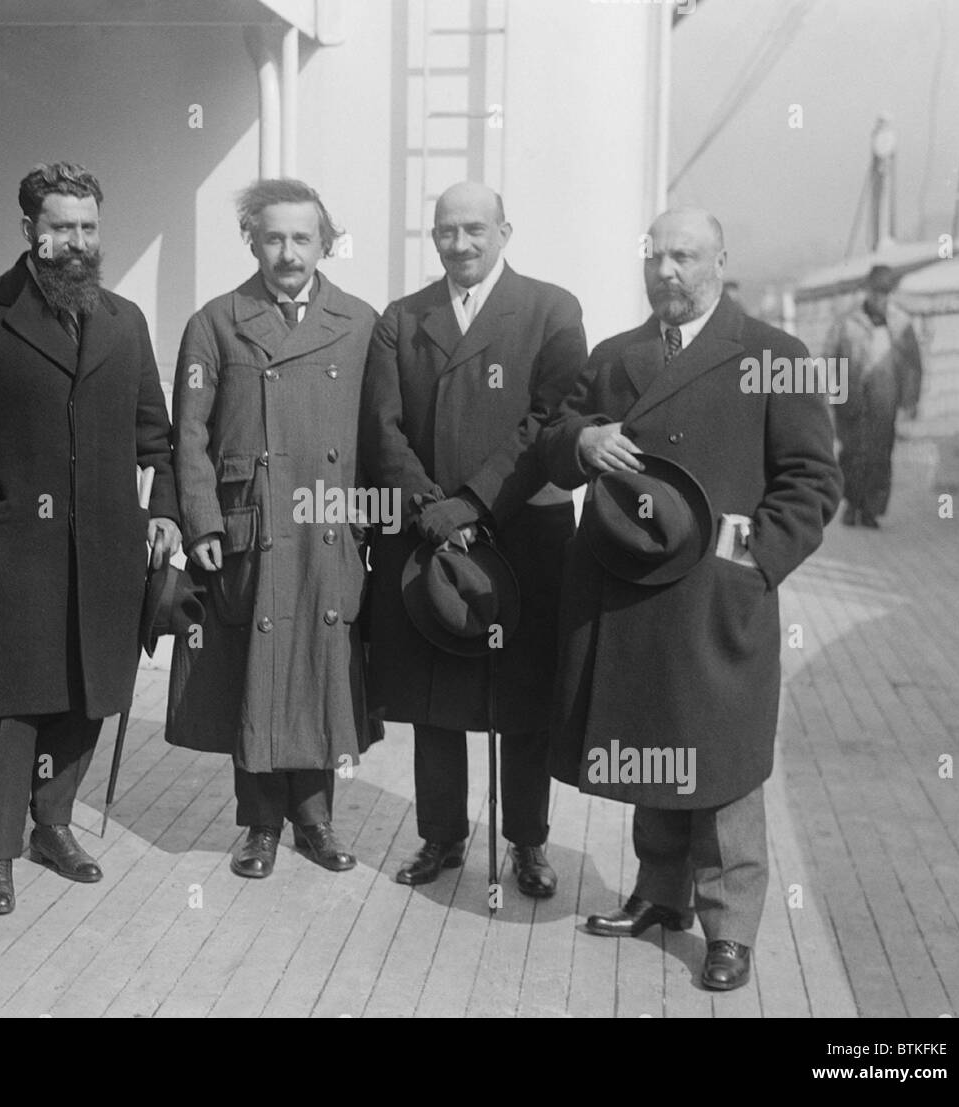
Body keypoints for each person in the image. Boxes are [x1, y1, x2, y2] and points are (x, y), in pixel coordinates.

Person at [538, 208, 840, 989]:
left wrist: (746, 560)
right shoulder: (616, 357)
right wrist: (581, 442)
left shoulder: (778, 356)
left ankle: (730, 928)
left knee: (725, 763)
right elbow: (555, 432)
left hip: (717, 600)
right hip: (630, 593)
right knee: (654, 743)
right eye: (656, 256)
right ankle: (659, 893)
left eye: (685, 256)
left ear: (720, 261)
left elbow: (812, 482)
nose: (667, 270)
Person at [0, 162, 180, 915]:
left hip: (105, 553)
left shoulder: (125, 321)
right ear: (28, 230)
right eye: (61, 226)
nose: (77, 241)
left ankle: (52, 826)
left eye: (88, 227)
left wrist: (164, 509)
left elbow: (153, 435)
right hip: (7, 553)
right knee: (8, 707)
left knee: (85, 694)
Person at [360, 181, 588, 898]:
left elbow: (550, 421)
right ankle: (441, 834)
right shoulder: (402, 318)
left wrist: (474, 501)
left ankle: (527, 842)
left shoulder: (552, 310)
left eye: (475, 230)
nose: (460, 244)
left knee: (521, 699)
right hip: (430, 534)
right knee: (438, 697)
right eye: (446, 232)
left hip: (520, 531)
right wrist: (432, 506)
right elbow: (382, 427)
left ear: (504, 231)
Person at [167, 179, 378, 879]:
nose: (288, 252)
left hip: (326, 528)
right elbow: (188, 433)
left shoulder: (359, 321)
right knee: (253, 671)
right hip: (247, 528)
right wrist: (200, 519)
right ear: (251, 240)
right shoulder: (215, 322)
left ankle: (314, 820)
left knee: (320, 667)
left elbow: (381, 435)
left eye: (302, 238)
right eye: (274, 237)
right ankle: (259, 823)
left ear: (325, 242)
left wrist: (373, 523)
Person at [826, 264, 922, 527]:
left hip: (884, 400)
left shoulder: (901, 323)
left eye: (886, 292)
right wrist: (828, 397)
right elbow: (828, 359)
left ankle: (871, 509)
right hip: (850, 399)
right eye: (876, 291)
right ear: (867, 290)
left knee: (880, 454)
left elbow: (913, 366)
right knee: (851, 453)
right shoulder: (847, 321)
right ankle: (851, 504)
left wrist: (909, 402)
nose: (881, 297)